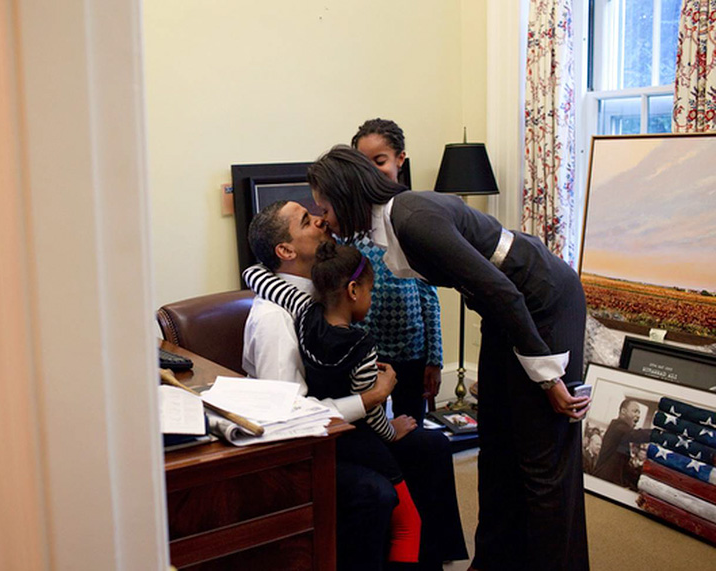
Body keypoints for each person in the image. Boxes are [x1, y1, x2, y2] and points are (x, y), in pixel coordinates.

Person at [305, 145, 593, 571]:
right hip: (505, 310)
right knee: (497, 447)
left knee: (541, 459)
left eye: (324, 207)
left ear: (345, 195)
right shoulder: (394, 222)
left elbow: (503, 290)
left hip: (544, 301)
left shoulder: (411, 217)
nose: (324, 218)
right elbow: (492, 295)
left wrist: (548, 379)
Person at [243, 200, 467, 570]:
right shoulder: (273, 320)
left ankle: (432, 561)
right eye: (306, 221)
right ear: (285, 250)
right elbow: (289, 418)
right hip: (310, 446)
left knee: (432, 445)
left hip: (350, 429)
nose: (320, 219)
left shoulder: (322, 290)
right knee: (375, 492)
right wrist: (370, 399)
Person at [350, 118, 443, 420]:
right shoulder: (351, 222)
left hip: (411, 346)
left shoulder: (412, 216)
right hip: (364, 344)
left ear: (400, 159)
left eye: (379, 161)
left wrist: (435, 358)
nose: (370, 172)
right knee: (371, 422)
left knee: (410, 421)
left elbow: (429, 291)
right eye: (363, 164)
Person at [592, 398, 650, 488]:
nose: (638, 416)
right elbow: (635, 434)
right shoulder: (617, 427)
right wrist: (656, 434)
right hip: (603, 483)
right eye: (635, 411)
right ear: (623, 411)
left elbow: (623, 466)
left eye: (639, 413)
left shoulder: (623, 438)